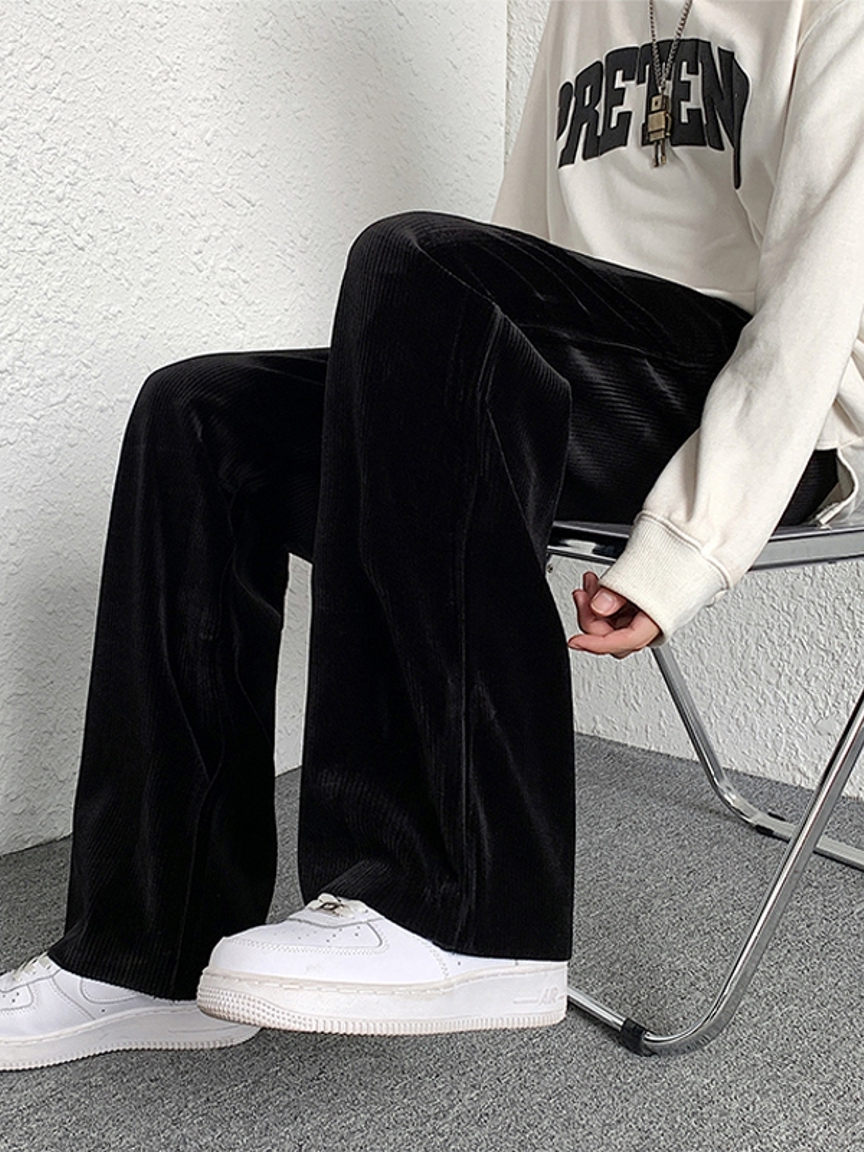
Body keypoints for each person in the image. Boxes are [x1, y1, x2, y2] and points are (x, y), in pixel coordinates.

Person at [2, 0, 863, 1070]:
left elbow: (821, 303)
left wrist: (689, 541)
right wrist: (462, 402)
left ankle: (460, 904)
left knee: (419, 259)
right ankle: (146, 952)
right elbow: (526, 251)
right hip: (586, 373)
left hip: (762, 414)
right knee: (202, 412)